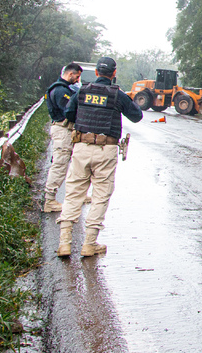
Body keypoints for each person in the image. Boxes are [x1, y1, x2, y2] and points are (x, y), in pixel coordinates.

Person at [57, 56, 143, 258]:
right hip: (106, 149)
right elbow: (137, 116)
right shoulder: (117, 95)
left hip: (81, 147)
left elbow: (68, 114)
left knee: (73, 193)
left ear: (95, 72)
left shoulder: (81, 91)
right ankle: (89, 244)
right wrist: (126, 99)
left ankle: (64, 243)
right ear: (114, 74)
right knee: (101, 195)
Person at [42, 63, 83, 213]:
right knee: (60, 164)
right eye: (77, 76)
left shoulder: (63, 89)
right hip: (62, 130)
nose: (78, 80)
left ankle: (75, 196)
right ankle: (50, 200)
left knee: (74, 164)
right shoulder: (60, 90)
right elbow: (70, 111)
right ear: (70, 74)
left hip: (67, 130)